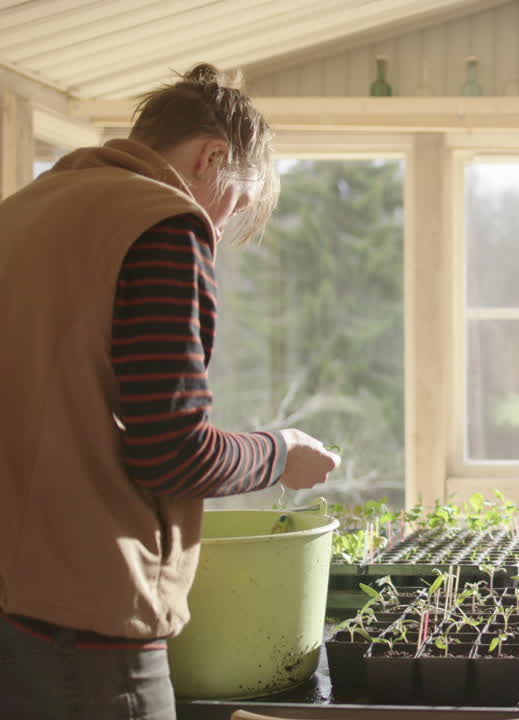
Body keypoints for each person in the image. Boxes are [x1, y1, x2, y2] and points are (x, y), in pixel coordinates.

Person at [0, 63, 341, 719]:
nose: (219, 227)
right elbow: (171, 452)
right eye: (236, 203)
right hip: (89, 632)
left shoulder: (21, 214)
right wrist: (279, 453)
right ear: (213, 156)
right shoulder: (162, 223)